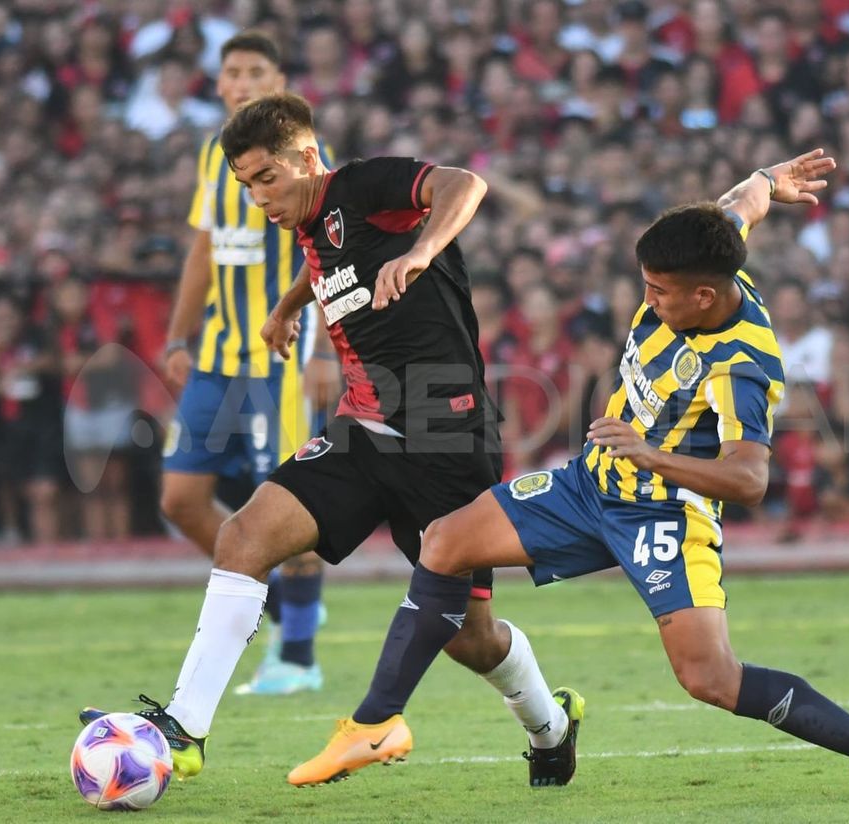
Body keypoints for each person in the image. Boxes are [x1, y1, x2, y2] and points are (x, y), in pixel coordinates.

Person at [300, 150, 849, 798]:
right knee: (443, 543)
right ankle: (377, 722)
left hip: (664, 513)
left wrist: (650, 454)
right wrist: (770, 181)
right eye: (646, 284)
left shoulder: (743, 363)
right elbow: (741, 202)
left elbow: (749, 480)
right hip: (591, 485)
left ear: (705, 296)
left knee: (709, 679)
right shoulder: (704, 254)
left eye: (659, 292)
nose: (648, 298)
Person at [83, 91, 579, 789]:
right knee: (242, 539)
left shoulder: (364, 186)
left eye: (267, 179)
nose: (259, 198)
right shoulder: (313, 226)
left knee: (472, 638)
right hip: (362, 430)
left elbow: (465, 184)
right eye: (246, 185)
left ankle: (551, 724)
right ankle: (184, 730)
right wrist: (287, 308)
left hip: (443, 433)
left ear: (307, 159)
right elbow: (329, 269)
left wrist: (424, 250)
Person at [158, 32, 327, 697]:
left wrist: (317, 352)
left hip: (279, 359)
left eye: (257, 70)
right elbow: (204, 248)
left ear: (279, 80)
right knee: (180, 498)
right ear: (219, 83)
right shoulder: (214, 153)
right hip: (216, 357)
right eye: (232, 71)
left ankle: (299, 657)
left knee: (288, 512)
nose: (243, 81)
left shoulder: (301, 155)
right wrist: (178, 336)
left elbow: (326, 252)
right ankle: (283, 610)